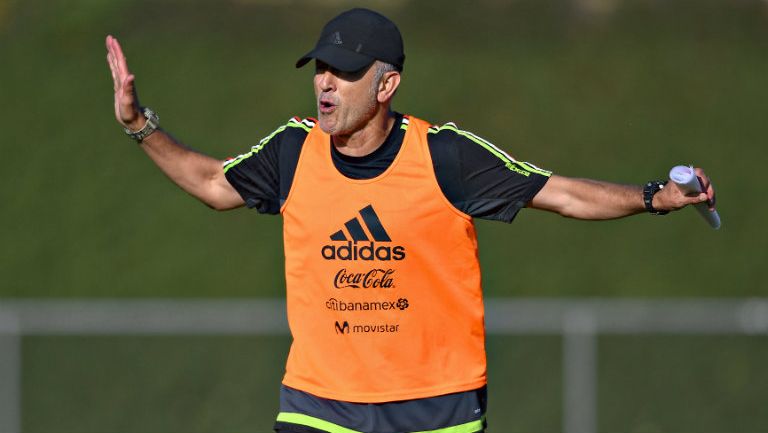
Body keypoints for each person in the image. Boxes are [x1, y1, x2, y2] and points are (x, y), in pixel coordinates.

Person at [105, 8, 715, 433]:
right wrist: (139, 124)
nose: (324, 83)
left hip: (437, 409)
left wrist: (653, 197)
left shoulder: (445, 156)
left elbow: (558, 193)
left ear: (386, 83)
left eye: (344, 72)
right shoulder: (293, 153)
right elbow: (214, 184)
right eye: (320, 68)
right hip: (318, 405)